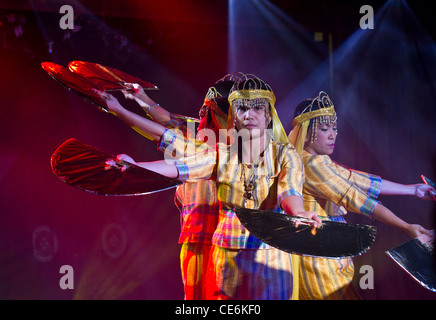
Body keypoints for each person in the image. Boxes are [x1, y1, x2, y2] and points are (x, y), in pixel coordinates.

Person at [102, 74, 321, 299]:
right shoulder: (212, 149)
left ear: (267, 116)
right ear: (234, 115)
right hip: (213, 244)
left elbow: (290, 190)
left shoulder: (282, 154)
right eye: (243, 108)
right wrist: (136, 164)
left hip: (267, 253)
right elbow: (176, 155)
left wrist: (299, 211)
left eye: (257, 108)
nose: (249, 115)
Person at [98, 74, 240, 299]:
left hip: (230, 241)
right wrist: (138, 98)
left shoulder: (240, 148)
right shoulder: (198, 131)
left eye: (208, 111)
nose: (201, 115)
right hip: (195, 234)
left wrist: (121, 111)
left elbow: (165, 133)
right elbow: (167, 122)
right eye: (203, 110)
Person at [288, 91, 434, 300]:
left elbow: (357, 179)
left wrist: (412, 189)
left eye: (335, 128)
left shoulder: (316, 160)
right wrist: (406, 227)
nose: (333, 135)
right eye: (324, 128)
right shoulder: (311, 164)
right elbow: (356, 198)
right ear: (306, 132)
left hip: (329, 249)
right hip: (318, 252)